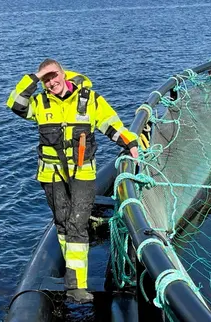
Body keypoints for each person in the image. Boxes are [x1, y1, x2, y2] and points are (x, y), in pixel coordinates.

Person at [7, 58, 139, 303]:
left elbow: (111, 124)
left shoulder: (89, 100)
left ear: (63, 74)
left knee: (77, 224)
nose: (51, 82)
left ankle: (76, 284)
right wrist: (34, 78)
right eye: (46, 79)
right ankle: (71, 269)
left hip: (82, 174)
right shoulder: (39, 102)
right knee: (62, 222)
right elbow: (15, 103)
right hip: (51, 174)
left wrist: (130, 143)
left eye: (54, 76)